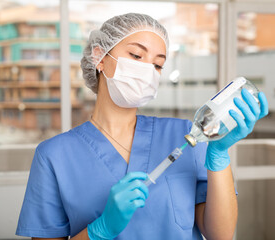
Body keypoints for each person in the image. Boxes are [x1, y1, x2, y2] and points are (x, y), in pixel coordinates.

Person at [16, 13, 268, 240]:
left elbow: (220, 235)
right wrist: (99, 230)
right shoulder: (53, 156)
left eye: (157, 64)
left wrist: (220, 156)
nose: (147, 70)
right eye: (136, 56)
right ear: (100, 57)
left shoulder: (187, 135)